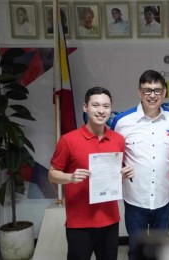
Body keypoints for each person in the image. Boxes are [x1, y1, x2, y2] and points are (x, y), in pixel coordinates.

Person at [49, 87, 134, 260]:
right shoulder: (68, 140)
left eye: (106, 106)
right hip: (79, 221)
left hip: (109, 219)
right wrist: (70, 177)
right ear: (85, 107)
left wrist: (124, 174)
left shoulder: (118, 140)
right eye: (96, 105)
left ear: (111, 109)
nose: (101, 111)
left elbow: (115, 173)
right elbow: (52, 174)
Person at [111, 70, 169, 259]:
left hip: (163, 198)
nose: (152, 95)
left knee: (160, 250)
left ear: (165, 92)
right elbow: (111, 156)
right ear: (139, 92)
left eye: (157, 90)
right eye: (147, 90)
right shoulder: (122, 121)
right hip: (135, 199)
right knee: (136, 249)